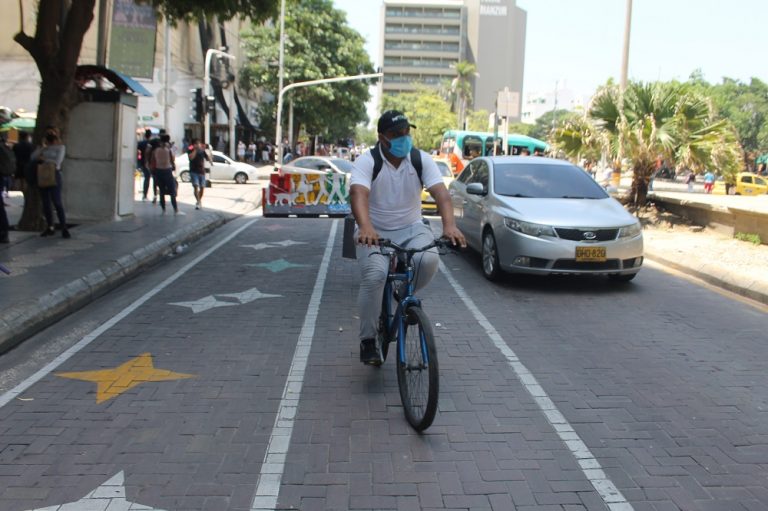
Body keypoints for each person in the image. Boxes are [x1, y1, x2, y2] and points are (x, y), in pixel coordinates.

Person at [349, 110, 466, 366]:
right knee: (375, 276)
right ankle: (368, 340)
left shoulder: (420, 159)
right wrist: (365, 226)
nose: (404, 138)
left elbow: (442, 195)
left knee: (428, 260)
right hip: (374, 232)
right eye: (396, 134)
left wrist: (449, 226)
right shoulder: (368, 161)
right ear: (382, 138)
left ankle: (403, 297)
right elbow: (358, 193)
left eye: (406, 132)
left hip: (412, 227)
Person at [33, 126, 69, 238]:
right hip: (43, 175)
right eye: (48, 133)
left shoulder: (61, 147)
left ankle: (63, 227)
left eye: (52, 133)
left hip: (55, 174)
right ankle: (50, 226)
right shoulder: (44, 148)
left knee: (57, 202)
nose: (50, 135)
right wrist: (42, 147)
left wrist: (45, 160)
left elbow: (58, 162)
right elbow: (33, 157)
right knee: (46, 203)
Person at [150, 133, 178, 213]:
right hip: (167, 170)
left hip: (158, 170)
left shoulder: (155, 150)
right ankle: (175, 209)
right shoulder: (168, 150)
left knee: (161, 190)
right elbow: (172, 160)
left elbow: (153, 160)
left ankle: (163, 208)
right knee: (172, 190)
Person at [187, 139, 211, 210]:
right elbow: (191, 158)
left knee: (202, 188)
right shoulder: (190, 150)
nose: (198, 145)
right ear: (193, 145)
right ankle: (198, 201)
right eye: (196, 144)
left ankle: (199, 201)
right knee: (196, 186)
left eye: (199, 144)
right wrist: (195, 150)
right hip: (193, 171)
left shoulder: (202, 151)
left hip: (201, 172)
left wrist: (207, 151)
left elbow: (208, 159)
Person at [137, 129, 153, 201]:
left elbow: (137, 152)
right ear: (150, 135)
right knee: (149, 178)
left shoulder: (141, 143)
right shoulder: (152, 143)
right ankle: (149, 195)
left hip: (142, 162)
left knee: (147, 178)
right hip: (150, 163)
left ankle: (145, 195)